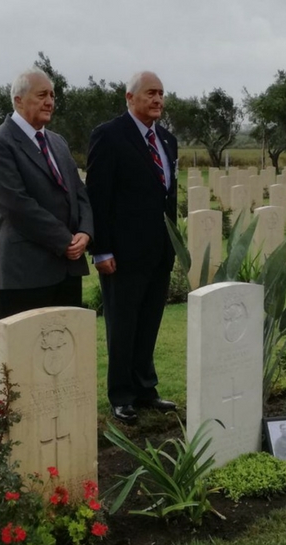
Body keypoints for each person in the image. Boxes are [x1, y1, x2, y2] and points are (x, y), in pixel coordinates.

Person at [86, 71, 178, 425]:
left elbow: (167, 197)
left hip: (160, 251)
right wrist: (102, 249)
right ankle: (121, 395)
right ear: (130, 97)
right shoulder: (109, 136)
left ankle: (145, 388)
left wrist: (174, 244)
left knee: (150, 321)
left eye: (161, 93)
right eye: (150, 93)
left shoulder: (168, 141)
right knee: (123, 324)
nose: (157, 100)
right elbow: (99, 195)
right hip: (122, 254)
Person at [0, 67, 93, 321]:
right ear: (18, 100)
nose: (50, 102)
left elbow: (79, 192)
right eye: (42, 95)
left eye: (52, 95)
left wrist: (85, 232)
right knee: (23, 356)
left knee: (65, 352)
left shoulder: (57, 142)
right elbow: (16, 204)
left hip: (67, 270)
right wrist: (65, 241)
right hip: (25, 271)